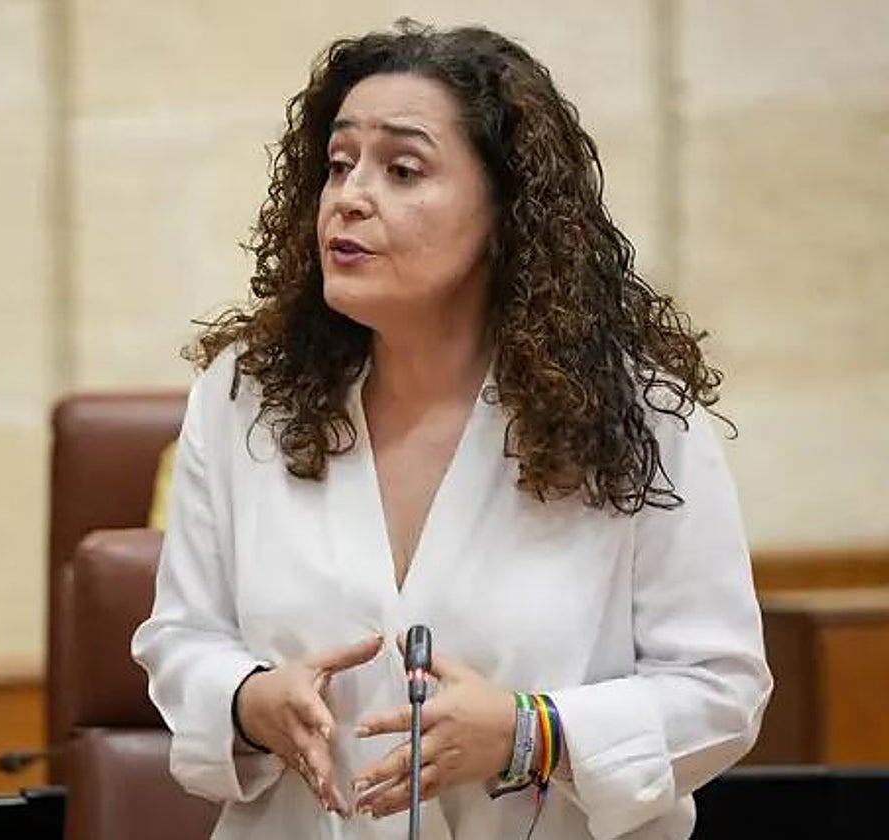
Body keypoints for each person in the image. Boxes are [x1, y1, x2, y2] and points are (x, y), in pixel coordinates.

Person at [132, 19, 771, 840]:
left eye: (403, 170)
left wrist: (532, 734)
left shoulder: (638, 414)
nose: (351, 196)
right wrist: (248, 702)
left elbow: (720, 688)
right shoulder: (243, 399)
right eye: (339, 164)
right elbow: (182, 638)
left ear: (506, 212)